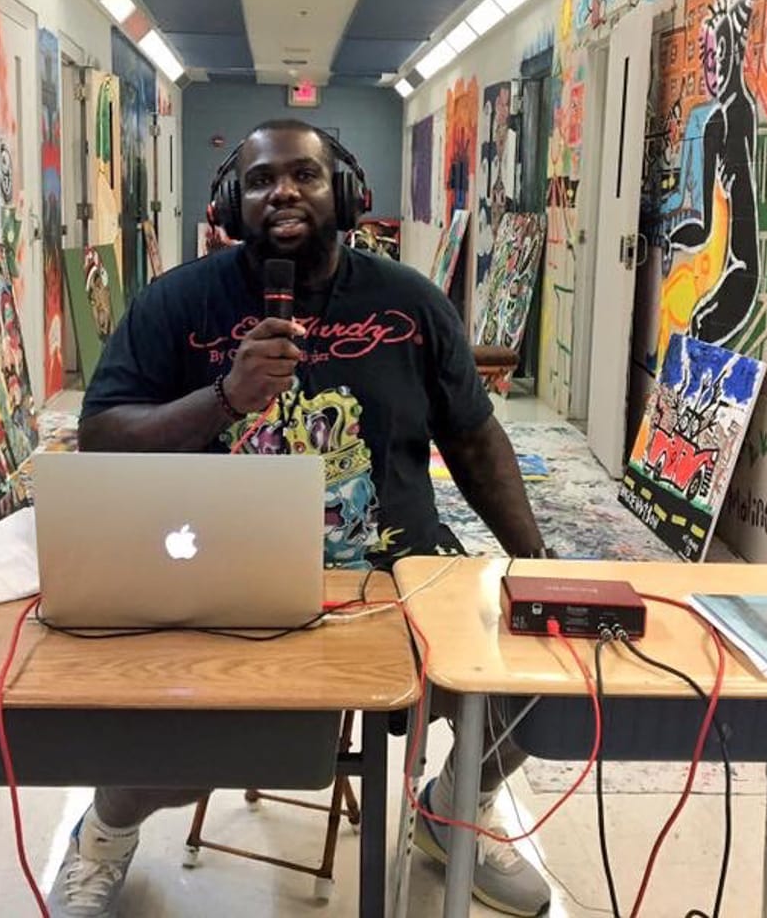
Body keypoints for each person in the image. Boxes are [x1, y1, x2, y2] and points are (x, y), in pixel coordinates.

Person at [54, 119, 552, 917]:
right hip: (227, 576)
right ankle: (105, 833)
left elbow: (473, 437)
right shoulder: (177, 302)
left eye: (304, 175)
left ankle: (456, 803)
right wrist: (225, 397)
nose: (282, 191)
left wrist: (541, 565)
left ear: (346, 194)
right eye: (259, 180)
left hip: (402, 576)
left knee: (545, 688)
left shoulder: (412, 303)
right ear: (230, 203)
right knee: (193, 740)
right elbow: (102, 434)